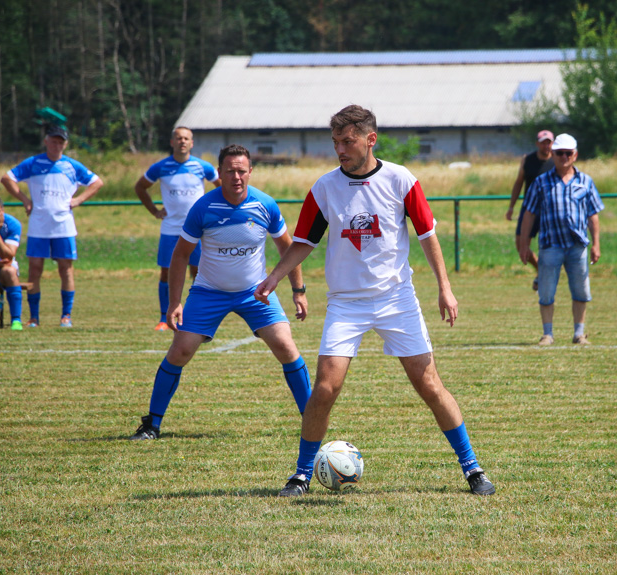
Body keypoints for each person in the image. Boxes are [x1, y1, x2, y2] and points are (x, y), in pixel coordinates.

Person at [255, 105, 495, 497]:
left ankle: (473, 469)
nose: (340, 149)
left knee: (429, 384)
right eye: (336, 142)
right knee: (325, 389)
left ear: (371, 139)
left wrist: (444, 287)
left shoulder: (401, 180)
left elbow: (427, 235)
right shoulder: (324, 188)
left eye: (348, 141)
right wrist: (274, 277)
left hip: (396, 298)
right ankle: (300, 475)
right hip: (346, 303)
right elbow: (304, 243)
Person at [128, 144, 311, 440]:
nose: (236, 177)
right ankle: (152, 424)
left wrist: (298, 291)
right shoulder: (203, 207)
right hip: (208, 291)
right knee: (180, 351)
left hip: (256, 292)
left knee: (286, 347)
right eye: (230, 171)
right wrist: (175, 303)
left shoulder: (265, 205)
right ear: (220, 173)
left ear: (250, 172)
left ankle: (311, 417)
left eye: (241, 171)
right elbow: (179, 256)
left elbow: (287, 249)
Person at [0, 125, 103, 328]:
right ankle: (34, 318)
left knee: (66, 270)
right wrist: (24, 199)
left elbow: (97, 182)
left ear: (65, 144)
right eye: (53, 141)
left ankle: (66, 316)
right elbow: (7, 178)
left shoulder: (72, 165)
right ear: (46, 141)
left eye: (61, 142)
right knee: (35, 269)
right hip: (39, 225)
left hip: (63, 226)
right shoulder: (33, 163)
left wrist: (79, 199)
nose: (57, 145)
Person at [518, 133, 603, 346]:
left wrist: (596, 244)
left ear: (575, 155)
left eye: (567, 153)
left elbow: (593, 215)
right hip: (550, 245)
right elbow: (529, 213)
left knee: (581, 290)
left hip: (577, 246)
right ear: (553, 155)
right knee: (546, 291)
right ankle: (547, 334)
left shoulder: (586, 181)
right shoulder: (541, 182)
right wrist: (524, 244)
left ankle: (579, 333)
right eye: (559, 153)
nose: (563, 157)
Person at [135, 126, 221, 330]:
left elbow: (222, 188)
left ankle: (194, 316)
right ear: (172, 142)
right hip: (170, 229)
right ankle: (164, 318)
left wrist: (215, 212)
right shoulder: (160, 167)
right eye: (178, 138)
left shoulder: (203, 167)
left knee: (198, 273)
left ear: (191, 143)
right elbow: (140, 187)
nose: (182, 141)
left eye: (186, 138)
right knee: (166, 272)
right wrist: (154, 211)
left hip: (198, 231)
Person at [506, 130, 554, 291]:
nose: (546, 145)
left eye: (549, 142)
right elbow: (519, 183)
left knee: (548, 246)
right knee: (521, 245)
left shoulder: (558, 160)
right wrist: (511, 207)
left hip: (549, 210)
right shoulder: (528, 160)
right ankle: (541, 270)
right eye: (543, 142)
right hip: (529, 209)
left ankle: (547, 275)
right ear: (537, 144)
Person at [0, 195, 24, 330]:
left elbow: (8, 256)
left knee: (10, 271)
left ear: (2, 211)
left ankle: (16, 321)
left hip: (0, 270)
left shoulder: (12, 224)